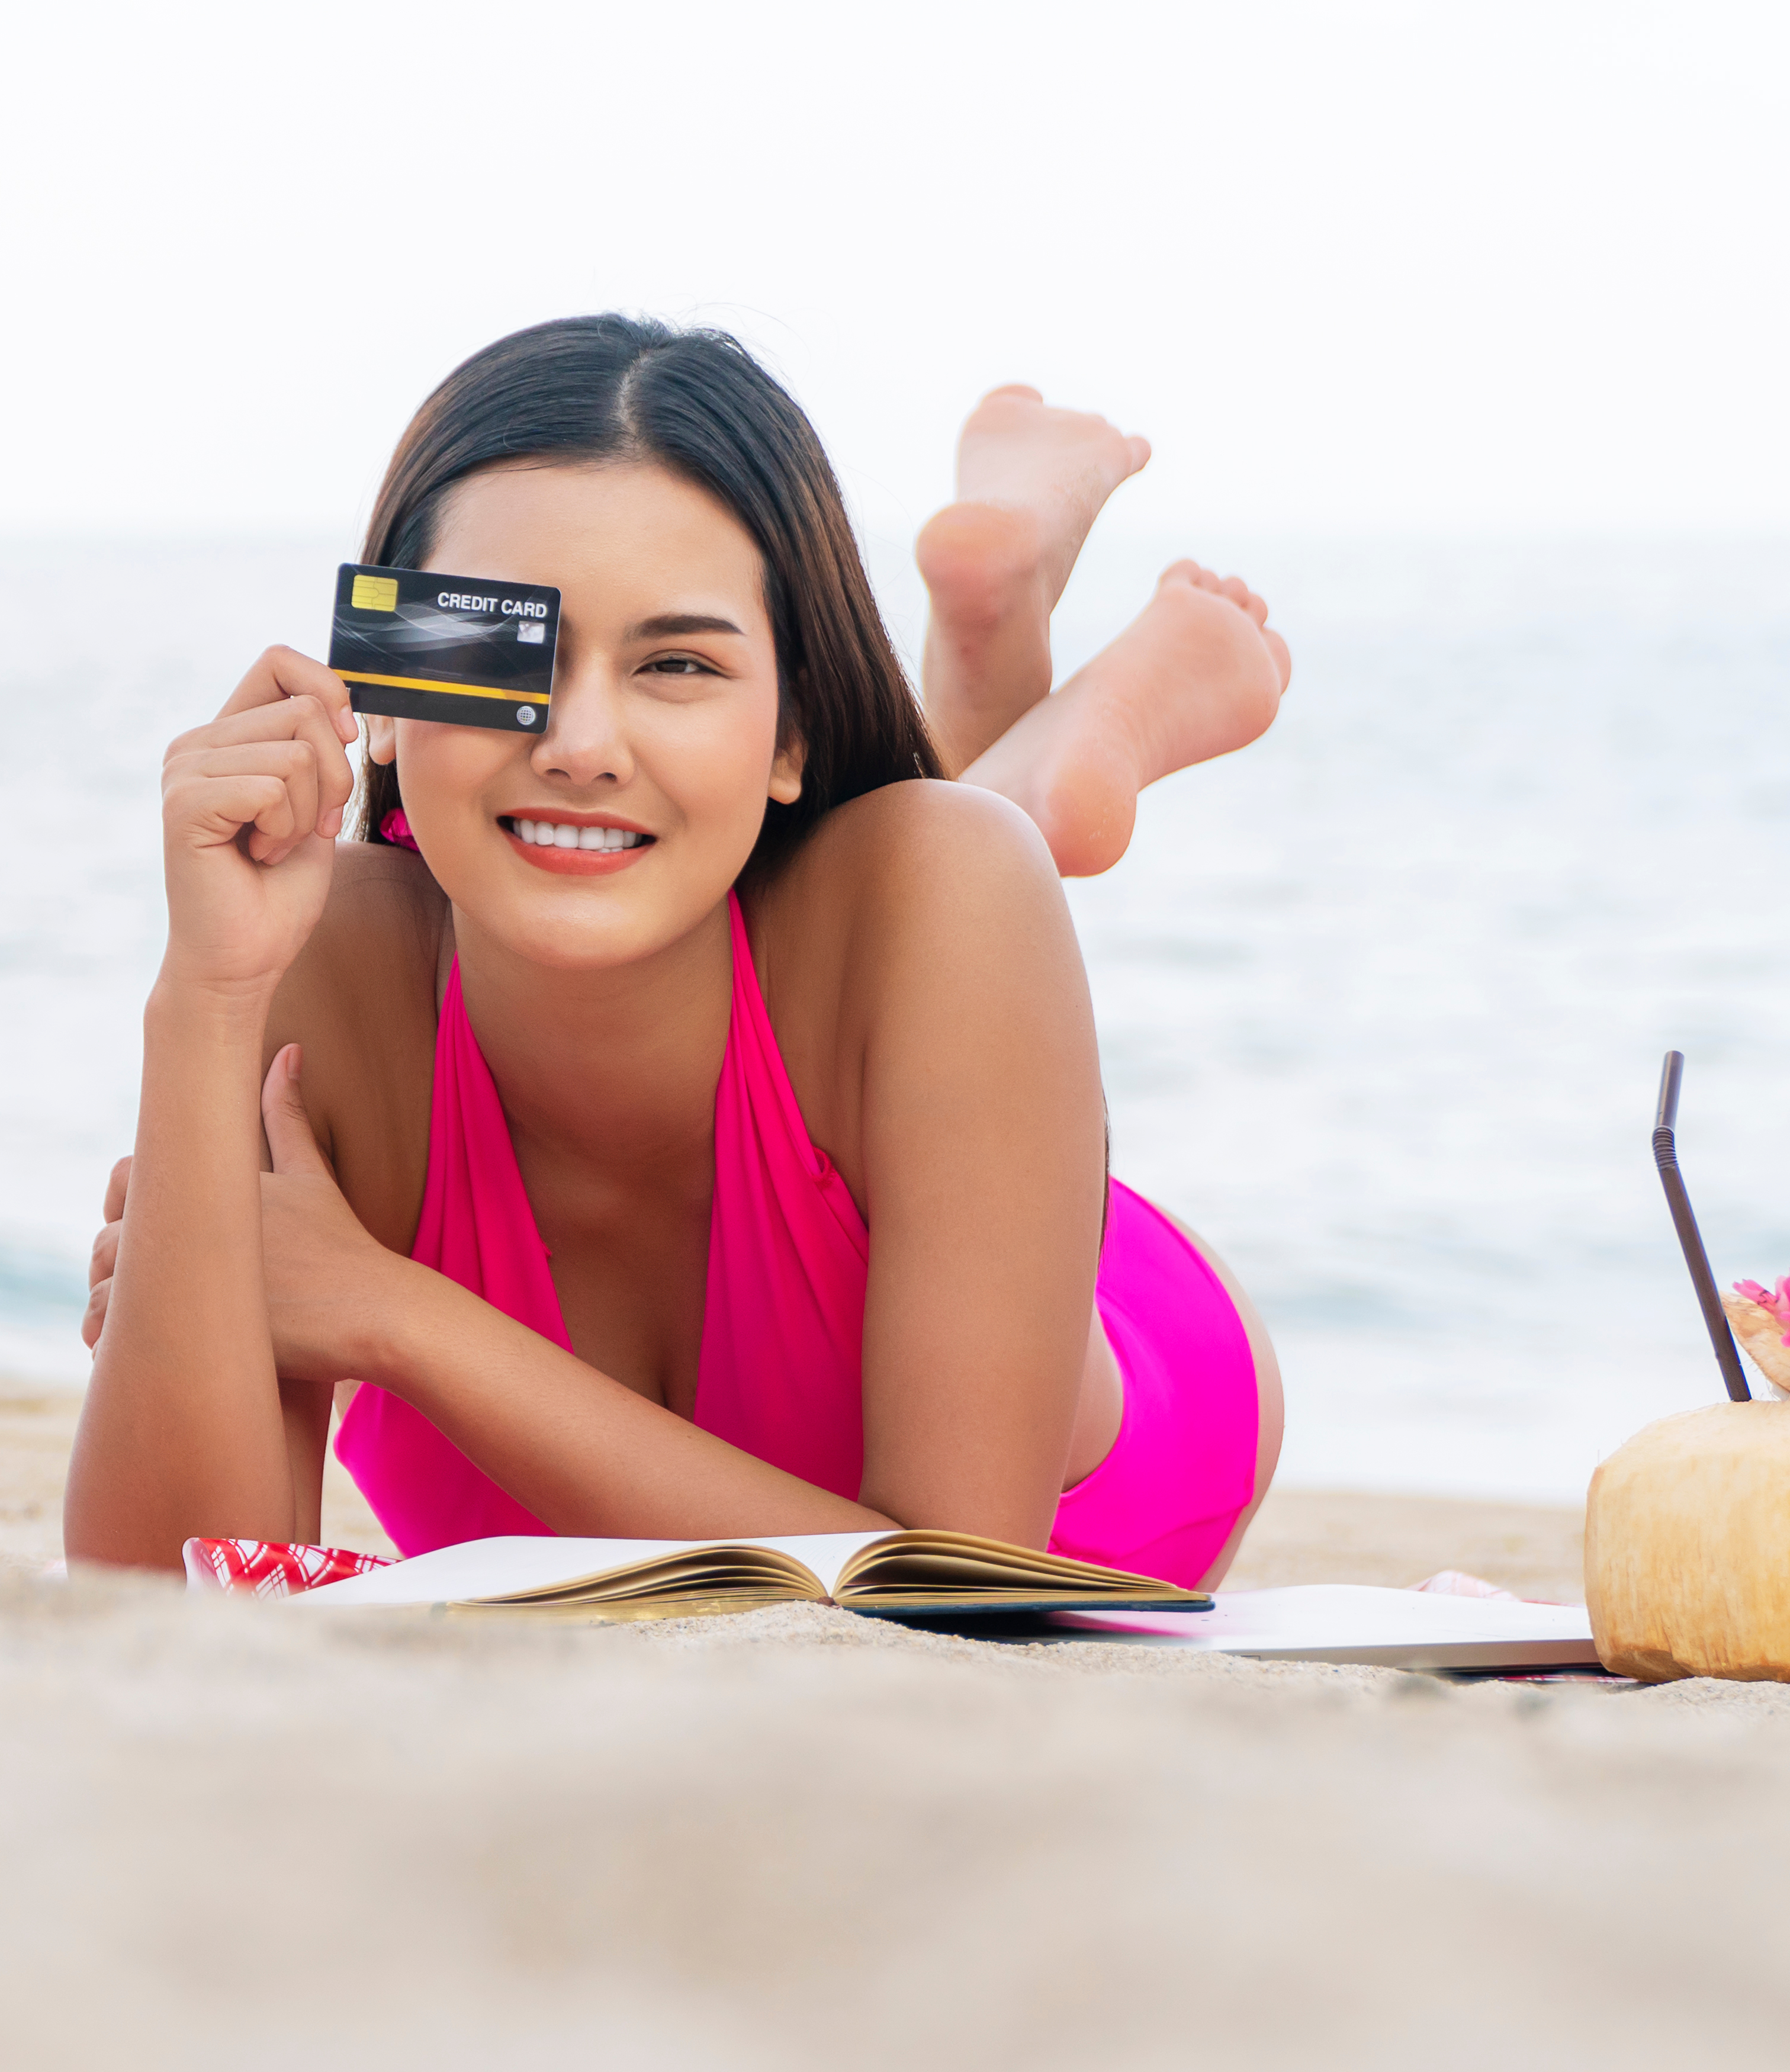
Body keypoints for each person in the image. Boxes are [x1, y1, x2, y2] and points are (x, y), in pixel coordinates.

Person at [66, 316, 1290, 1586]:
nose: (579, 741)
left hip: (1111, 1458)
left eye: (676, 662)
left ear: (790, 736)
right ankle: (1018, 693)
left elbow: (958, 1584)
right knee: (938, 856)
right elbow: (160, 1591)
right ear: (382, 702)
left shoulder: (939, 890)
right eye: (506, 656)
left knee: (965, 859)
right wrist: (204, 997)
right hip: (869, 985)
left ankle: (1050, 750)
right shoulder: (324, 969)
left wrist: (392, 1315)